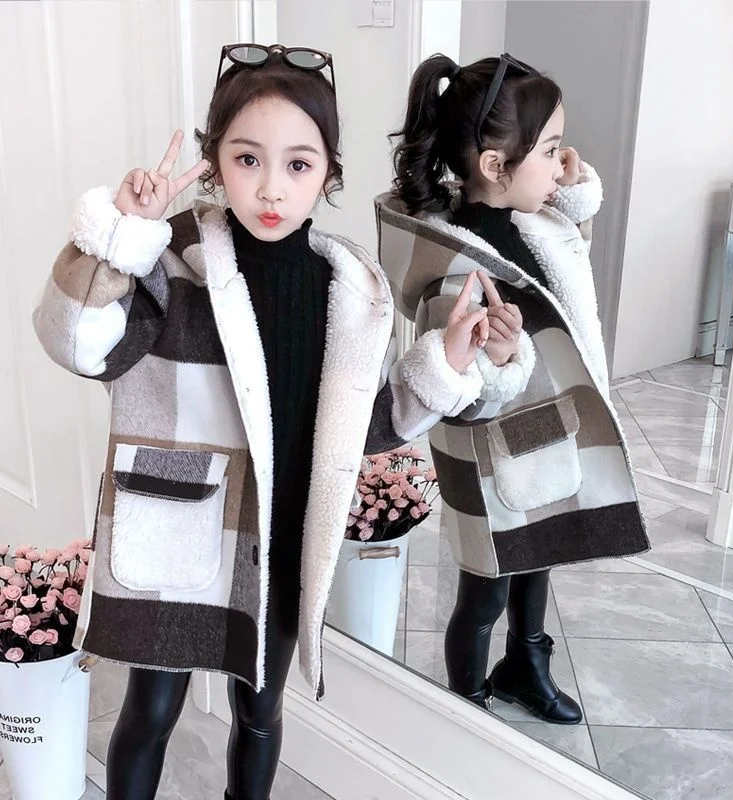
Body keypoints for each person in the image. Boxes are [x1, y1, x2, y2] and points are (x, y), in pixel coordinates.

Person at [34, 44, 491, 799]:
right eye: (248, 159)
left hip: (279, 543)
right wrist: (119, 239)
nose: (272, 188)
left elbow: (356, 431)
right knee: (150, 713)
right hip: (177, 534)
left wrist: (444, 362)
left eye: (298, 164)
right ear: (215, 161)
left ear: (329, 171)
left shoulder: (351, 290)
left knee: (260, 713)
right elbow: (75, 343)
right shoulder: (169, 263)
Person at [377, 53, 648, 722]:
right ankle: (467, 708)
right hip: (489, 462)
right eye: (551, 151)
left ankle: (526, 665)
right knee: (486, 591)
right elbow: (458, 397)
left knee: (541, 558)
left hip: (544, 431)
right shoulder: (458, 271)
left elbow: (567, 268)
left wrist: (571, 193)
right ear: (496, 166)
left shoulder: (533, 223)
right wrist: (495, 362)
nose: (561, 164)